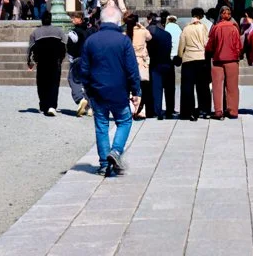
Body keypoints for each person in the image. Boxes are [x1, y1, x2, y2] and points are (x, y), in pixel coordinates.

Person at [77, 16, 140, 175]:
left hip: (97, 90)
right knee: (124, 121)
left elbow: (84, 68)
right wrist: (135, 90)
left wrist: (87, 88)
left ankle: (104, 163)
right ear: (117, 22)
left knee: (101, 126)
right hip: (119, 90)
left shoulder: (91, 41)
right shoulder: (123, 41)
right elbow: (131, 68)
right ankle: (116, 151)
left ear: (101, 21)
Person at [206, 6, 243, 119]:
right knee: (232, 86)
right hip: (232, 60)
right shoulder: (234, 28)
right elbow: (238, 45)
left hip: (217, 60)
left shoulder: (215, 28)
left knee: (217, 86)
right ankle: (233, 111)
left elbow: (210, 46)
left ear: (220, 15)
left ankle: (218, 111)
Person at [27, 11, 66, 115]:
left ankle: (43, 105)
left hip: (42, 62)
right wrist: (61, 58)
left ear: (42, 20)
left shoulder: (35, 33)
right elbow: (64, 47)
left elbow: (30, 49)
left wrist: (30, 63)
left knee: (42, 84)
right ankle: (52, 106)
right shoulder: (59, 31)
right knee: (54, 84)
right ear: (51, 19)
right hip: (55, 61)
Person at [178, 7, 211, 121]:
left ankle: (189, 111)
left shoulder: (186, 29)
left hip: (188, 59)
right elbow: (207, 43)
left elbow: (182, 44)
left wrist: (180, 56)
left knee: (188, 87)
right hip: (201, 58)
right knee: (203, 87)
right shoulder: (203, 27)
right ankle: (205, 110)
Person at [147, 13, 176, 119]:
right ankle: (169, 110)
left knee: (156, 88)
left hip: (155, 64)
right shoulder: (167, 35)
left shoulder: (151, 35)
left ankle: (157, 110)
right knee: (169, 89)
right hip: (167, 63)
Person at [66, 12, 92, 115]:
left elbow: (70, 47)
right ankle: (90, 107)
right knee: (88, 83)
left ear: (80, 19)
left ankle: (80, 99)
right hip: (89, 60)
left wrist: (71, 58)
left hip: (78, 59)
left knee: (73, 79)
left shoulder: (74, 32)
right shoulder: (89, 31)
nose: (72, 19)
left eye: (75, 18)